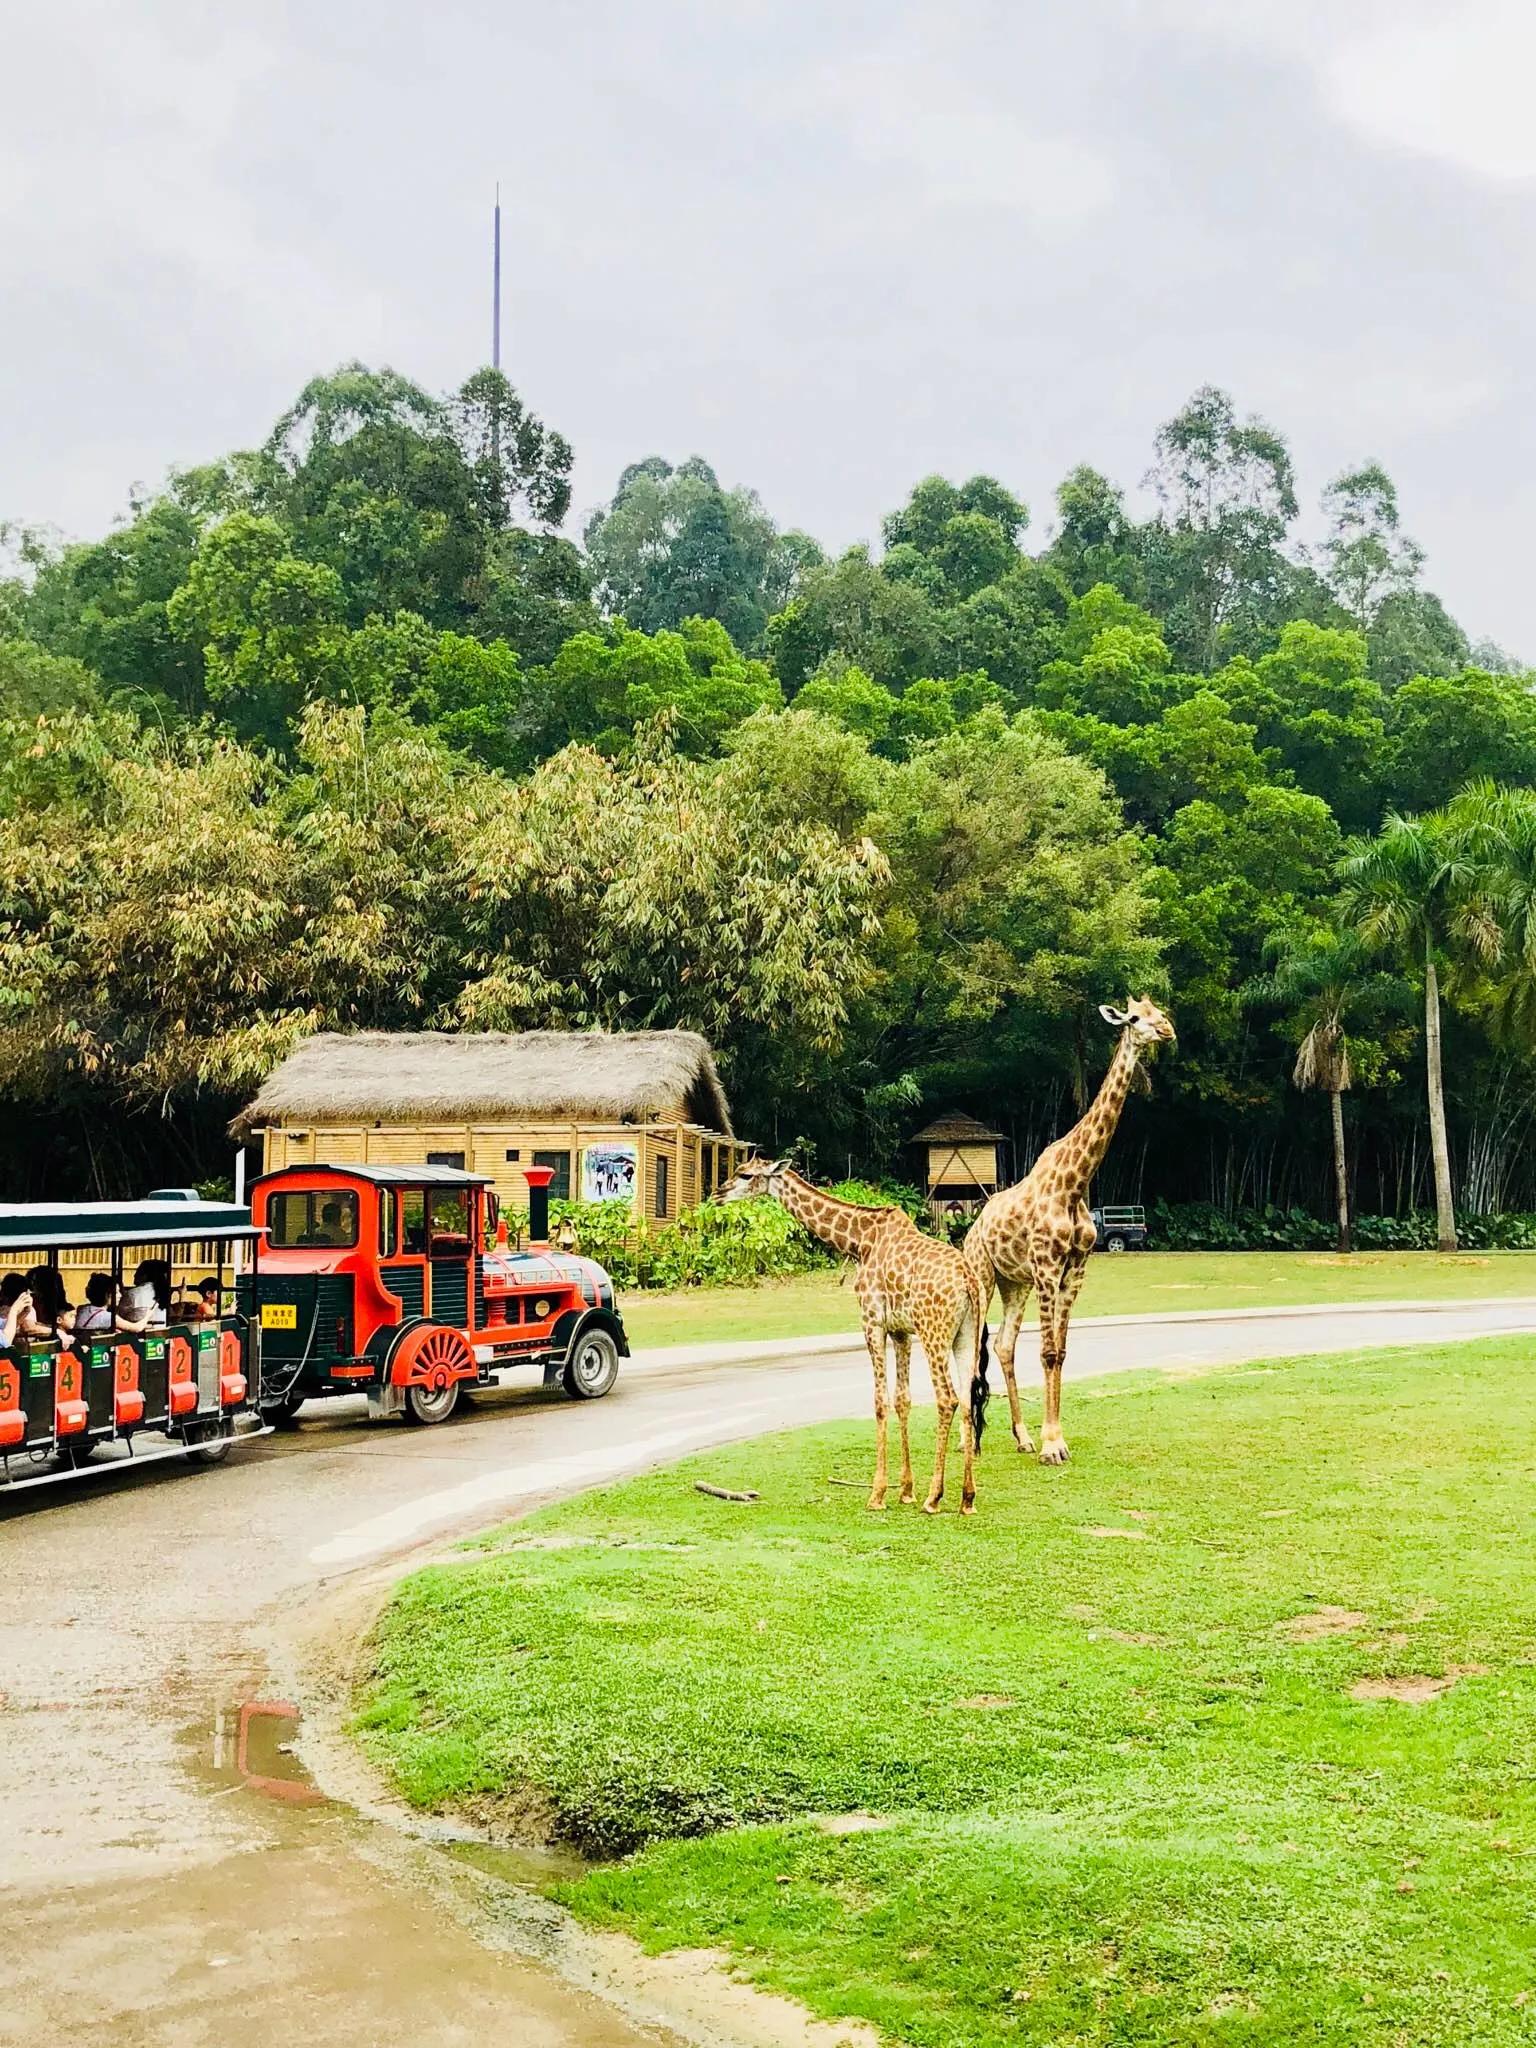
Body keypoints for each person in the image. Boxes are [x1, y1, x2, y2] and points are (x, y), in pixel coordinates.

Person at [16, 1265, 74, 1341]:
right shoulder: (29, 1302)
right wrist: (56, 1331)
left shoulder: (61, 1306)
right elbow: (28, 1328)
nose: (32, 1288)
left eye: (35, 1283)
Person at [116, 1258, 169, 1332]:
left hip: (135, 1338)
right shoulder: (163, 1293)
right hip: (160, 1335)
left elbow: (118, 1317)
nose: (134, 1275)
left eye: (138, 1272)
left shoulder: (132, 1294)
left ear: (145, 1275)